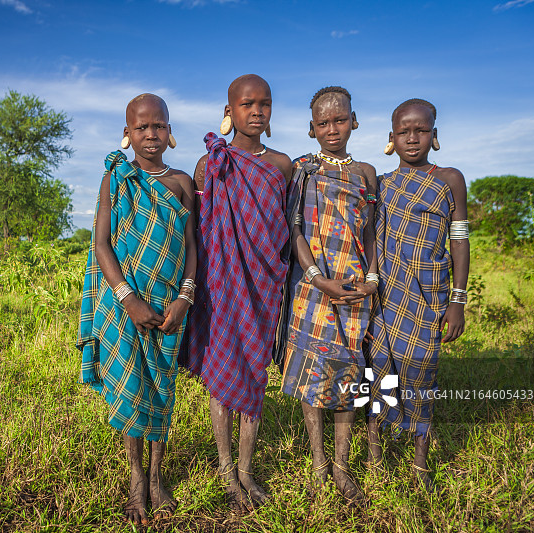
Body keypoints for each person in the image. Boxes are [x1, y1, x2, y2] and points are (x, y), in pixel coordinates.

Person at [77, 93, 197, 524]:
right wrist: (128, 299)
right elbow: (102, 243)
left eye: (159, 126)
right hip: (124, 302)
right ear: (127, 134)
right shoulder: (116, 178)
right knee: (130, 385)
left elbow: (192, 247)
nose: (151, 134)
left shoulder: (182, 182)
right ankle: (134, 479)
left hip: (167, 306)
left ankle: (158, 478)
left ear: (170, 131)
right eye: (141, 127)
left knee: (162, 390)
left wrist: (185, 296)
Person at [183, 74, 292, 512]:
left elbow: (286, 229)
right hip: (220, 282)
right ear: (230, 111)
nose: (257, 111)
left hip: (265, 282)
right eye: (247, 104)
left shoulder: (284, 165)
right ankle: (227, 472)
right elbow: (196, 229)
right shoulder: (209, 165)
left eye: (264, 104)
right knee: (223, 371)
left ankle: (246, 470)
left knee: (255, 373)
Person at [280, 86, 378, 506]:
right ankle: (319, 462)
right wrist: (319, 278)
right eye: (323, 123)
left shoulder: (366, 173)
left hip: (356, 284)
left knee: (350, 373)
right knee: (313, 374)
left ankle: (341, 465)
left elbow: (371, 230)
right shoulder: (301, 170)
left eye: (340, 120)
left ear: (354, 121)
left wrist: (372, 278)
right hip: (314, 285)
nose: (332, 129)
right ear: (311, 129)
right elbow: (294, 227)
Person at [366, 98, 469, 492]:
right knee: (377, 372)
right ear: (391, 138)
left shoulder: (449, 179)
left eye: (421, 131)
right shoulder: (381, 184)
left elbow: (459, 242)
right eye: (404, 132)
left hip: (430, 296)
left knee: (422, 373)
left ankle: (419, 462)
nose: (413, 138)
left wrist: (457, 301)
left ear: (434, 135)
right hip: (385, 295)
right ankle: (375, 455)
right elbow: (370, 238)